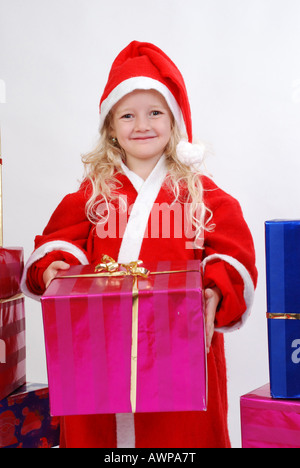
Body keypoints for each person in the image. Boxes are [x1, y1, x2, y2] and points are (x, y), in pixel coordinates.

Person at [21, 41, 257, 448]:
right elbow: (59, 244)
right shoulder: (91, 196)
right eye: (127, 115)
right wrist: (56, 268)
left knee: (177, 441)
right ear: (111, 127)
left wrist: (216, 288)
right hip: (98, 356)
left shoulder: (202, 196)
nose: (142, 124)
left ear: (174, 120)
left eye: (155, 113)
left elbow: (233, 251)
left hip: (179, 355)